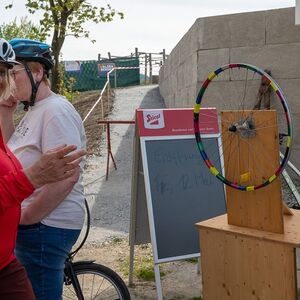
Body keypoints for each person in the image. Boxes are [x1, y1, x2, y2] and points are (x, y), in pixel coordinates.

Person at [0, 38, 87, 300]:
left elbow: (67, 176)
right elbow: (11, 152)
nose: (10, 82)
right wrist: (6, 113)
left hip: (45, 225)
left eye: (12, 74)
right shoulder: (35, 109)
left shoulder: (55, 111)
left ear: (37, 72)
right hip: (36, 223)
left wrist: (28, 218)